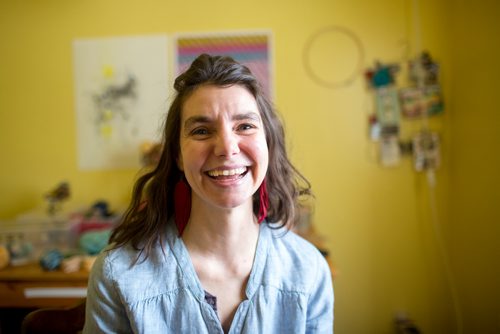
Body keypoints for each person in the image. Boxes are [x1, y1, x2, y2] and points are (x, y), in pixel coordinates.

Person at [83, 54, 334, 333]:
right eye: (201, 131)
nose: (227, 148)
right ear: (177, 155)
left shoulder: (309, 270)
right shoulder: (117, 274)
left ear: (268, 145)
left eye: (245, 126)